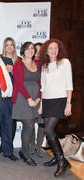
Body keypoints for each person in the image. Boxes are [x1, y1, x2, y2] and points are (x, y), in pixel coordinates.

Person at [39, 39, 73, 177]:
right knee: (51, 131)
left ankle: (61, 161)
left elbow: (69, 84)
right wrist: (41, 105)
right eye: (50, 48)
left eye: (56, 48)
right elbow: (43, 87)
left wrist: (68, 103)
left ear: (59, 50)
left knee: (48, 129)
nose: (53, 50)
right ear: (46, 51)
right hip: (47, 101)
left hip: (60, 100)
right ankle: (58, 157)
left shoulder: (64, 62)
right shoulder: (44, 66)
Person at [11, 42, 41, 166]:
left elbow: (40, 82)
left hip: (35, 98)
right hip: (22, 98)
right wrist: (29, 99)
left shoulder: (37, 64)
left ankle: (23, 151)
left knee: (30, 126)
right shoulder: (18, 64)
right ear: (22, 51)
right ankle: (26, 155)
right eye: (27, 48)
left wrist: (39, 98)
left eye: (32, 48)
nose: (30, 50)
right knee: (29, 124)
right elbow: (19, 83)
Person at [1, 37, 21, 141]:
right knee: (1, 123)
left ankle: (9, 145)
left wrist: (14, 71)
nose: (9, 47)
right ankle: (2, 146)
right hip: (3, 96)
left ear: (14, 47)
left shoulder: (20, 60)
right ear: (4, 47)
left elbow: (24, 79)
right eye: (7, 45)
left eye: (11, 45)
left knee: (12, 123)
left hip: (16, 97)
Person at [30, 42, 45, 157]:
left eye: (41, 50)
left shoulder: (47, 64)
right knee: (31, 122)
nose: (38, 52)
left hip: (45, 97)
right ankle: (31, 146)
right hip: (33, 97)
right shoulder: (30, 64)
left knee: (42, 123)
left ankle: (39, 147)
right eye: (36, 50)